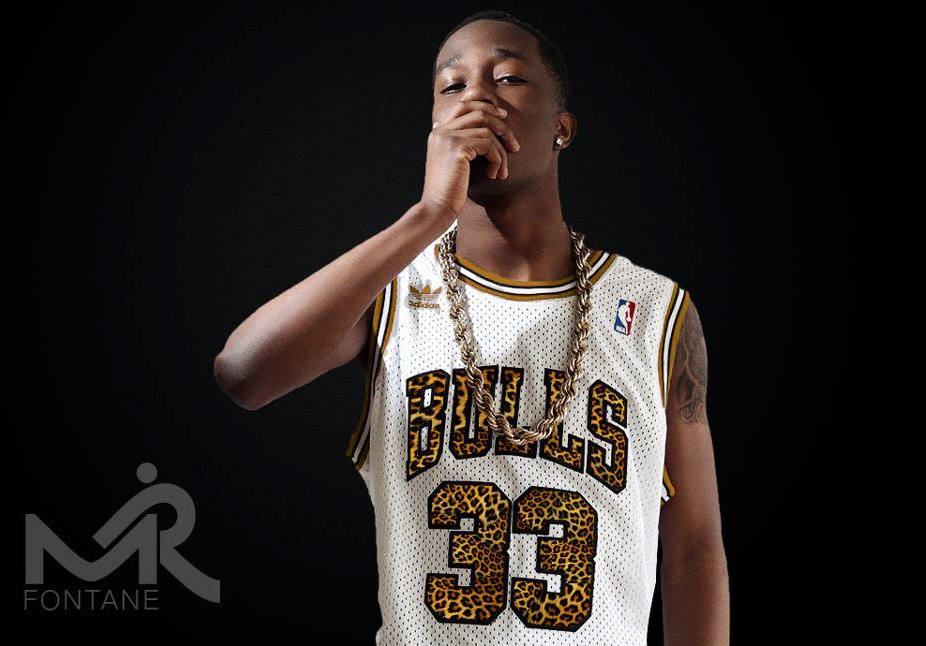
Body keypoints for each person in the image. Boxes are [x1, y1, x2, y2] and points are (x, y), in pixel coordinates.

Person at [214, 9, 728, 645]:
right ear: (435, 128)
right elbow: (243, 373)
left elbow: (694, 546)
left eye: (508, 78)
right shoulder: (387, 288)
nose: (477, 97)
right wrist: (430, 214)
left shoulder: (655, 309)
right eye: (452, 86)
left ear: (562, 127)